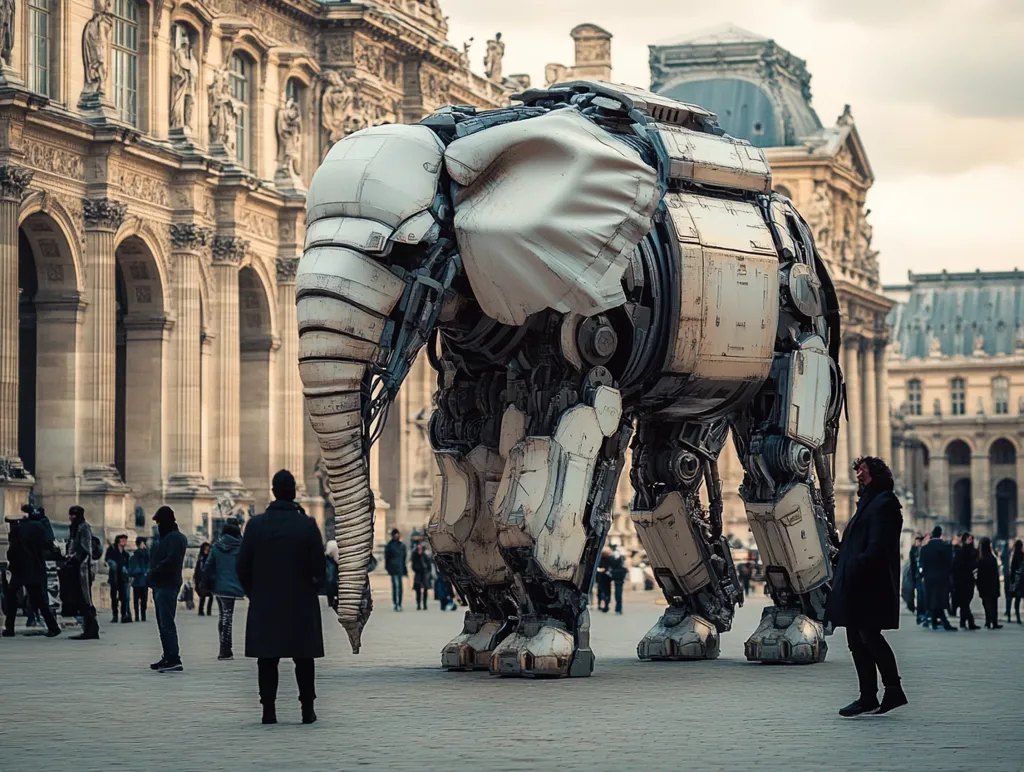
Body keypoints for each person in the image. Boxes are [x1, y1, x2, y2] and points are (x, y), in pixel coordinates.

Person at [237, 470, 325, 725]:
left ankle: (268, 710)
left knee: (267, 659)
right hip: (301, 601)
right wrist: (313, 586)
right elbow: (320, 567)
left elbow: (242, 566)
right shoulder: (307, 524)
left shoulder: (255, 525)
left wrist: (254, 592)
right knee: (304, 658)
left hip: (266, 601)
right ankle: (307, 708)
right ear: (294, 492)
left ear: (273, 492)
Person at [825, 457, 907, 717]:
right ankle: (868, 696)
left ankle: (893, 689)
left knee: (869, 637)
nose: (858, 475)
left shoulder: (885, 503)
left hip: (870, 584)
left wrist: (858, 565)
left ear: (876, 474)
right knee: (856, 641)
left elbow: (878, 547)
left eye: (863, 471)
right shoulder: (869, 504)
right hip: (857, 583)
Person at [2, 510, 61, 638]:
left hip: (20, 569)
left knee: (11, 597)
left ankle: (9, 628)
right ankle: (53, 627)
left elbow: (13, 550)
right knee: (39, 599)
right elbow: (47, 545)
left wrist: (10, 561)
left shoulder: (17, 530)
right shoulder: (39, 527)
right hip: (36, 568)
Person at [148, 506, 188, 673]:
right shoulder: (169, 537)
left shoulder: (175, 538)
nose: (157, 526)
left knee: (167, 623)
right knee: (162, 623)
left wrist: (153, 571)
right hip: (161, 584)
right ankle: (167, 655)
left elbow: (171, 560)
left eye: (158, 522)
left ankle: (173, 657)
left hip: (167, 584)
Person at [204, 519, 244, 660]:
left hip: (219, 586)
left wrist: (206, 581)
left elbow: (208, 566)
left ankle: (224, 647)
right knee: (227, 617)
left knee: (224, 616)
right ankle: (225, 649)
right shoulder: (241, 547)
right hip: (233, 585)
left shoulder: (216, 546)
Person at [67, 506, 100, 640]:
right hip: (78, 567)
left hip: (83, 568)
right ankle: (88, 628)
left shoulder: (83, 527)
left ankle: (91, 629)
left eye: (73, 515)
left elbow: (85, 549)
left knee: (85, 599)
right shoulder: (75, 527)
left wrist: (74, 558)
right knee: (80, 599)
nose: (70, 517)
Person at [918, 525, 956, 631]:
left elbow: (921, 564)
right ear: (940, 534)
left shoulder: (924, 549)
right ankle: (941, 622)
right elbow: (950, 563)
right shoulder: (946, 547)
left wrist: (923, 575)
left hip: (929, 578)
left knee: (933, 600)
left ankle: (933, 621)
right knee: (939, 600)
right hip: (942, 578)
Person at [951, 532, 980, 630]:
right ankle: (970, 622)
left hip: (969, 580)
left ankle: (963, 622)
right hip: (962, 580)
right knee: (965, 602)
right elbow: (956, 567)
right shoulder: (961, 551)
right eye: (968, 539)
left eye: (971, 539)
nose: (970, 541)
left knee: (966, 601)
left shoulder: (974, 552)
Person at [976, 536, 1003, 629]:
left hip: (984, 584)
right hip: (992, 584)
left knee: (986, 603)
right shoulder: (992, 557)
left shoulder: (980, 558)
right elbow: (995, 573)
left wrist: (978, 585)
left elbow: (979, 573)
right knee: (993, 604)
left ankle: (988, 621)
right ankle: (993, 622)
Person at [104, 534, 132, 624]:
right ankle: (115, 615)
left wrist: (127, 571)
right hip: (114, 577)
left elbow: (128, 565)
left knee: (123, 597)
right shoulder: (112, 550)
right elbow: (107, 559)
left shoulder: (126, 554)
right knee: (114, 597)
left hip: (123, 578)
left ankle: (124, 615)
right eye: (123, 540)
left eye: (125, 540)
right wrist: (111, 563)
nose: (125, 542)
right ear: (119, 541)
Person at [128, 537, 150, 621]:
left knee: (143, 600)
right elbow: (133, 568)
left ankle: (142, 615)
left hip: (143, 580)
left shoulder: (146, 554)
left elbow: (149, 563)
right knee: (137, 600)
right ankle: (137, 616)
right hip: (138, 579)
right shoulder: (135, 555)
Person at [384, 529, 407, 612]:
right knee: (395, 586)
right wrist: (387, 568)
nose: (397, 536)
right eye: (396, 534)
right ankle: (395, 603)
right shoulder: (389, 545)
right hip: (393, 568)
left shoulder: (402, 545)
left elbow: (404, 559)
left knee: (400, 587)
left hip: (400, 568)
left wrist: (405, 569)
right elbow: (386, 558)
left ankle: (399, 603)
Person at [411, 541, 434, 611]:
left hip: (424, 573)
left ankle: (424, 604)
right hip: (418, 573)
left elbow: (429, 564)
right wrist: (416, 568)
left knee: (425, 589)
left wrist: (428, 572)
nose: (419, 547)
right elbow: (413, 564)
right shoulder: (415, 555)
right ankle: (418, 604)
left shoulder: (425, 555)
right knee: (418, 589)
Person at [194, 541, 213, 617]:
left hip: (209, 579)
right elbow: (198, 570)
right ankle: (201, 610)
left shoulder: (210, 558)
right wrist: (197, 579)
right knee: (203, 595)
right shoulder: (201, 559)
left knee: (210, 596)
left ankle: (208, 610)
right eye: (205, 549)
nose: (206, 550)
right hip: (202, 579)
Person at [1006, 539, 1022, 624]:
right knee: (1017, 600)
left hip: (1012, 579)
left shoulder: (1012, 555)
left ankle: (1008, 615)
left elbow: (1011, 569)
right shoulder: (1022, 555)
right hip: (1019, 581)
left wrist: (1011, 580)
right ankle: (1018, 616)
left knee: (1010, 598)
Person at [609, 543, 628, 614]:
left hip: (617, 576)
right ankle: (618, 608)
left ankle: (618, 608)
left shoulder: (613, 556)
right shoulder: (619, 557)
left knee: (617, 593)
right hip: (619, 576)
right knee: (618, 593)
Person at [595, 546, 613, 612]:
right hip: (604, 579)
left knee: (603, 592)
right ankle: (603, 605)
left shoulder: (602, 559)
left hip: (604, 579)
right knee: (604, 592)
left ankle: (603, 605)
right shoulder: (608, 559)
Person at [323, 540, 339, 611]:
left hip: (331, 553)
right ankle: (333, 599)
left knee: (331, 579)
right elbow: (337, 559)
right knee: (332, 579)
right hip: (331, 555)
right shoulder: (335, 546)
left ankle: (331, 600)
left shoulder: (333, 544)